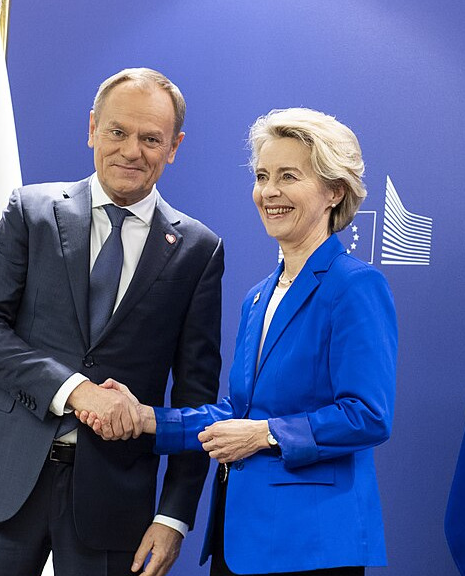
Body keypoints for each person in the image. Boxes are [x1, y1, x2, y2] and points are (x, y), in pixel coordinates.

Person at [81, 108, 397, 576]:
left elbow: (367, 415)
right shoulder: (258, 296)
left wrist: (266, 434)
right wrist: (148, 418)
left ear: (334, 191)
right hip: (239, 538)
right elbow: (239, 413)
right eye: (263, 176)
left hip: (311, 544)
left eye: (288, 176)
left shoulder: (354, 286)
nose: (269, 192)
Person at [0, 68, 224, 576]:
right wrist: (76, 391)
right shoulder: (31, 211)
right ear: (92, 127)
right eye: (117, 131)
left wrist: (173, 515)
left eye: (151, 139)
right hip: (5, 478)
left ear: (174, 147)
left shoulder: (198, 250)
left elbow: (196, 396)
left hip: (115, 499)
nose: (131, 151)